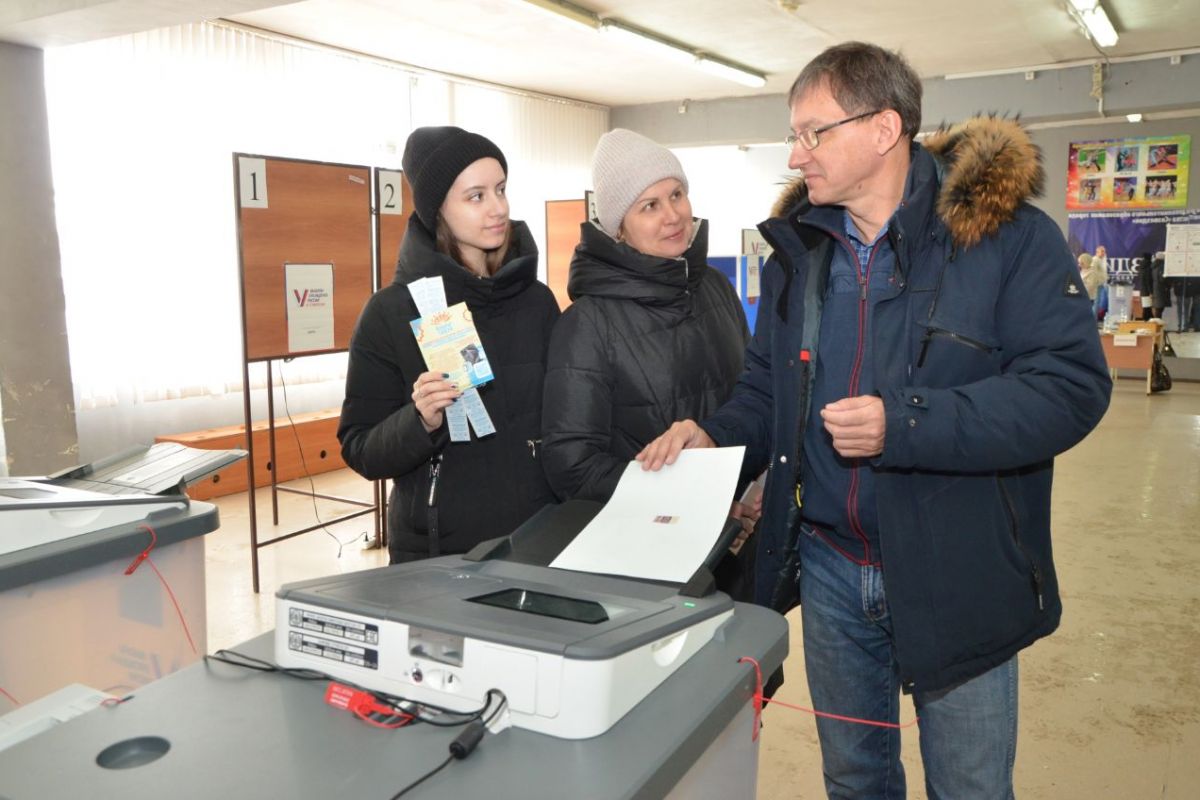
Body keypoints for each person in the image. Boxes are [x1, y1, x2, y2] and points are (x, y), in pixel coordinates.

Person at [638, 42, 1111, 799]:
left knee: (970, 786)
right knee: (855, 779)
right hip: (829, 569)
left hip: (960, 568)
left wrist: (908, 422)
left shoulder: (1009, 240)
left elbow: (1070, 387)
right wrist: (715, 434)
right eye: (793, 135)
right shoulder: (800, 253)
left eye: (813, 132)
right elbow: (766, 386)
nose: (798, 156)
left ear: (885, 128)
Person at [539, 129, 756, 586]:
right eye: (649, 206)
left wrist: (756, 490)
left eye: (676, 194)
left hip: (741, 544)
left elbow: (752, 394)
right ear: (619, 227)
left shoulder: (716, 288)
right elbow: (572, 465)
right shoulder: (588, 324)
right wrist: (696, 503)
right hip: (649, 559)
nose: (673, 215)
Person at [339, 126, 560, 563]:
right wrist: (418, 420)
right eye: (476, 196)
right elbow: (360, 448)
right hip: (440, 554)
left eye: (500, 189)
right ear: (437, 210)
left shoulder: (537, 302)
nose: (498, 208)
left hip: (541, 541)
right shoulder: (390, 313)